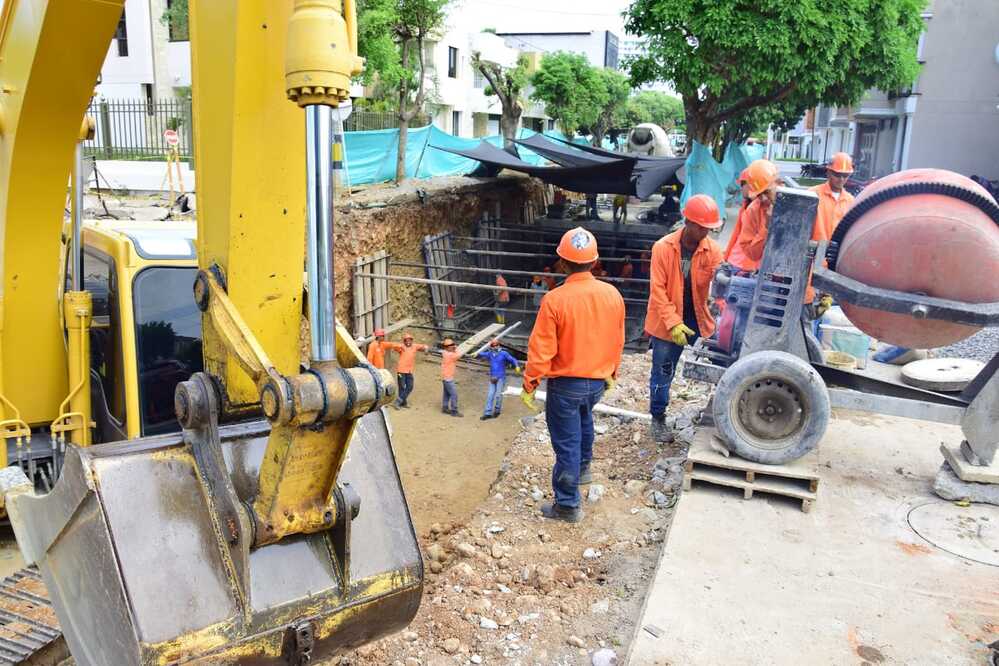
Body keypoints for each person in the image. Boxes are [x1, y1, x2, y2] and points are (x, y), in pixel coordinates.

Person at [522, 227, 625, 523]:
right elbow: (617, 339)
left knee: (566, 439)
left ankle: (567, 505)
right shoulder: (612, 295)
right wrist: (612, 372)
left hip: (566, 385)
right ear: (595, 262)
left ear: (562, 263)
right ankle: (583, 470)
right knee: (585, 420)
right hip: (597, 382)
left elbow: (541, 349)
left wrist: (530, 383)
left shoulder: (555, 300)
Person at [645, 194, 724, 441]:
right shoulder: (663, 248)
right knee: (663, 370)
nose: (705, 232)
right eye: (701, 226)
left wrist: (722, 305)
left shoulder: (713, 250)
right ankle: (657, 419)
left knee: (723, 365)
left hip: (699, 318)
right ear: (687, 221)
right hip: (667, 321)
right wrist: (673, 322)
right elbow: (657, 290)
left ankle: (723, 413)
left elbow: (720, 286)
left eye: (709, 228)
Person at [808, 152, 856, 315]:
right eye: (837, 175)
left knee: (825, 310)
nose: (841, 179)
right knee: (807, 306)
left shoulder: (850, 201)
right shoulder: (813, 194)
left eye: (845, 176)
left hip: (834, 265)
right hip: (812, 261)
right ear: (828, 172)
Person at [727, 159, 780, 272]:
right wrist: (766, 227)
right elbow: (752, 253)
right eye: (759, 194)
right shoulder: (753, 210)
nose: (763, 198)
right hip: (754, 270)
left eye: (766, 192)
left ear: (778, 183)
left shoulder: (796, 204)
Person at [477, 339, 520, 420]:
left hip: (500, 377)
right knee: (490, 395)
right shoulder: (490, 354)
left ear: (499, 345)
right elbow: (482, 354)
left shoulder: (504, 353)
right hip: (492, 377)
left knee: (498, 395)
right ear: (491, 347)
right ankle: (487, 413)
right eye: (493, 346)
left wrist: (516, 365)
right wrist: (476, 354)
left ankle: (497, 411)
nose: (495, 347)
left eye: (496, 345)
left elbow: (513, 359)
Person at [723, 168, 755, 267]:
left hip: (745, 266)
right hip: (736, 261)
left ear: (751, 185)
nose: (741, 188)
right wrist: (726, 257)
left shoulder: (762, 211)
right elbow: (736, 233)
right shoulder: (745, 205)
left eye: (742, 184)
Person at [390, 332, 428, 408]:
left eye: (409, 340)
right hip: (401, 370)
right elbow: (394, 347)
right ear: (404, 341)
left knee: (410, 386)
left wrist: (426, 349)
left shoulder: (415, 346)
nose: (408, 342)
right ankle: (402, 403)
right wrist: (400, 346)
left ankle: (399, 401)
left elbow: (424, 346)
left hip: (409, 371)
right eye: (406, 341)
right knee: (402, 387)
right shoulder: (402, 347)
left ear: (411, 340)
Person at [440, 338, 463, 417]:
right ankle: (454, 411)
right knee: (454, 394)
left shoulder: (445, 352)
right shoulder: (450, 355)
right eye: (450, 346)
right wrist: (456, 348)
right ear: (446, 347)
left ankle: (445, 408)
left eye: (452, 345)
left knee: (446, 394)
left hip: (445, 377)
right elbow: (459, 355)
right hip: (448, 378)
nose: (452, 347)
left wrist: (453, 348)